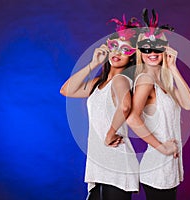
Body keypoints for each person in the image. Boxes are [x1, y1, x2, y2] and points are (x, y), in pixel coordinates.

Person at [60, 15, 140, 200]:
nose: (118, 52)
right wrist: (93, 63)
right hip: (99, 162)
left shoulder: (121, 80)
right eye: (114, 46)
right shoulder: (99, 83)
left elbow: (126, 106)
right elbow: (66, 90)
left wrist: (111, 133)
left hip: (116, 161)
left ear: (132, 56)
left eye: (125, 49)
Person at [126, 9, 190, 200]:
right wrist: (162, 147)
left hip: (168, 168)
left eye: (158, 48)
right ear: (140, 51)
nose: (152, 53)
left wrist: (173, 68)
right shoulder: (145, 80)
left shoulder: (163, 80)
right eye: (147, 48)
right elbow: (132, 117)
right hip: (157, 167)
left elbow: (189, 104)